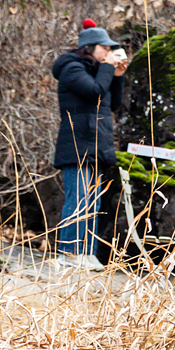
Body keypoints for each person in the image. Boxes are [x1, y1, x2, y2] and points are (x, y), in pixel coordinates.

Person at [51, 19, 127, 267]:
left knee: (93, 200)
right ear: (89, 47)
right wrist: (107, 68)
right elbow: (95, 92)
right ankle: (69, 252)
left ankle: (87, 253)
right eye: (104, 48)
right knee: (78, 197)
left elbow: (113, 104)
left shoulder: (97, 71)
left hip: (96, 143)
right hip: (76, 142)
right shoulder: (71, 69)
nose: (108, 53)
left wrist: (118, 76)